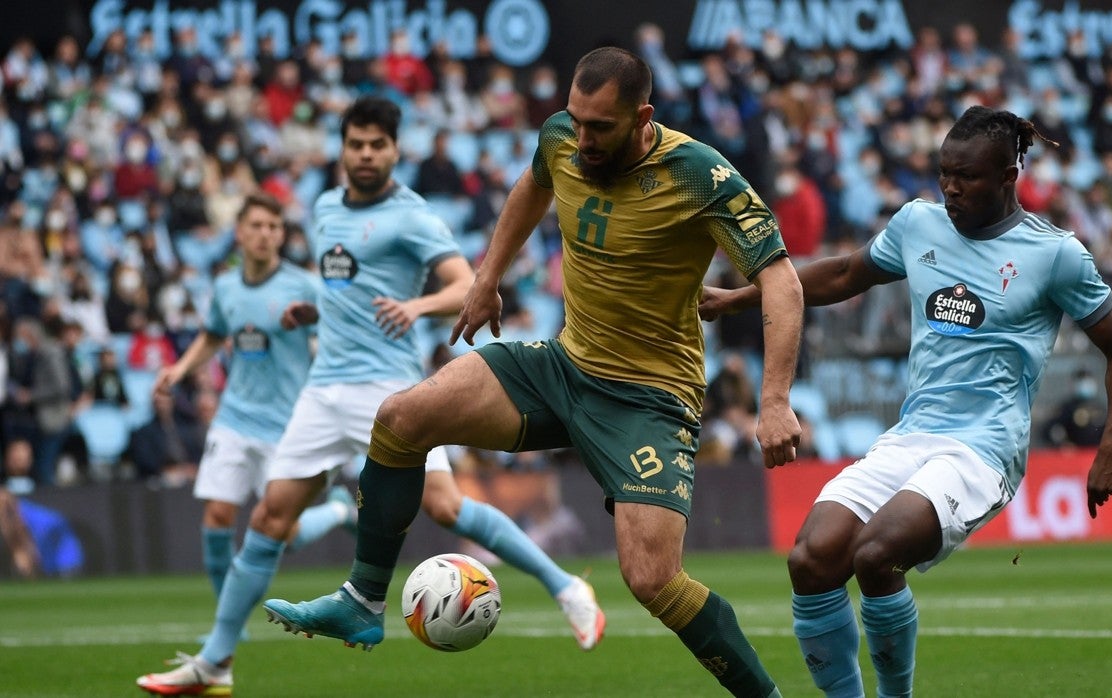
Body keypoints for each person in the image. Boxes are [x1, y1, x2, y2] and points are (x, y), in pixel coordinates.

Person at [263, 48, 804, 697]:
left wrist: (775, 399)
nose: (582, 138)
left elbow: (782, 280)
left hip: (649, 400)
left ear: (642, 118)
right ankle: (363, 600)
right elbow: (532, 185)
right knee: (402, 418)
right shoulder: (561, 138)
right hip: (563, 366)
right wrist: (486, 278)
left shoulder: (700, 175)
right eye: (575, 120)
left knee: (653, 580)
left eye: (599, 127)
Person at [137, 96, 602, 696]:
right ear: (342, 148)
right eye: (355, 144)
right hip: (321, 389)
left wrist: (416, 306)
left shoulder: (412, 217)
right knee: (269, 518)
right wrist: (316, 310)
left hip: (387, 390)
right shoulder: (325, 208)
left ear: (394, 151)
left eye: (376, 145)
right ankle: (215, 662)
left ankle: (566, 586)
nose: (365, 154)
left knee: (446, 508)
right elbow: (345, 287)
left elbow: (464, 284)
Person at [700, 105, 1112, 697]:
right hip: (912, 436)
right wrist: (738, 298)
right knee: (810, 559)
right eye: (944, 174)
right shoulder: (917, 223)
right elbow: (844, 273)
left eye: (967, 177)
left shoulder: (1055, 254)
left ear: (1007, 177)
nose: (950, 188)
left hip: (983, 450)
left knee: (876, 554)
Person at [144, 193, 354, 607]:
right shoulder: (225, 287)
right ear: (239, 233)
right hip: (235, 417)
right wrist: (179, 370)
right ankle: (229, 618)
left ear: (282, 236)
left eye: (273, 227)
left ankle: (339, 512)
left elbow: (340, 332)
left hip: (286, 425)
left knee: (287, 535)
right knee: (217, 517)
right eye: (256, 225)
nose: (265, 234)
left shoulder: (304, 286)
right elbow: (213, 335)